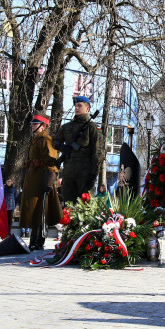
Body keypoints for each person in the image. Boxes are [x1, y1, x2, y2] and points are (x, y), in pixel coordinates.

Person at [20, 113, 62, 251]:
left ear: (43, 126)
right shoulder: (36, 140)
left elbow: (51, 162)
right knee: (33, 210)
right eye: (32, 123)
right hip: (34, 179)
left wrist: (49, 181)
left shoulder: (46, 139)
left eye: (35, 124)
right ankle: (33, 240)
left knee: (41, 211)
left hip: (42, 180)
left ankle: (38, 241)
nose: (32, 126)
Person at [53, 96, 105, 203]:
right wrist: (62, 148)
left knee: (84, 206)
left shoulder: (92, 128)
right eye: (76, 106)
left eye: (80, 105)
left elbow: (98, 153)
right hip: (69, 172)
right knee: (68, 204)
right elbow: (54, 141)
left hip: (85, 173)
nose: (77, 108)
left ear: (87, 109)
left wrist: (94, 175)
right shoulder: (67, 127)